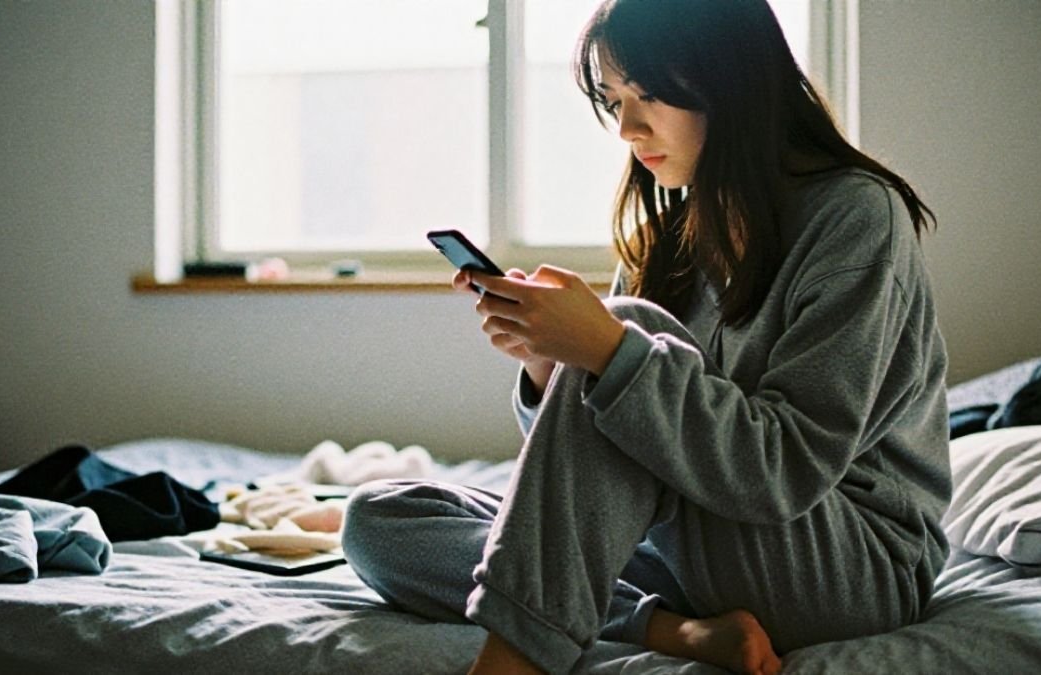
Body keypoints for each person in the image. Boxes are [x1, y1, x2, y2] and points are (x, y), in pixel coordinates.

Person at [341, 0, 950, 673]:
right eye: (614, 100)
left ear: (733, 84)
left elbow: (784, 472)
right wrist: (548, 365)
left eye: (649, 95)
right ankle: (676, 631)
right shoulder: (675, 232)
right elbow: (586, 477)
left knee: (626, 336)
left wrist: (605, 347)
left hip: (846, 562)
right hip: (699, 539)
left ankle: (512, 661)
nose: (628, 127)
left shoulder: (855, 216)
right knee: (379, 518)